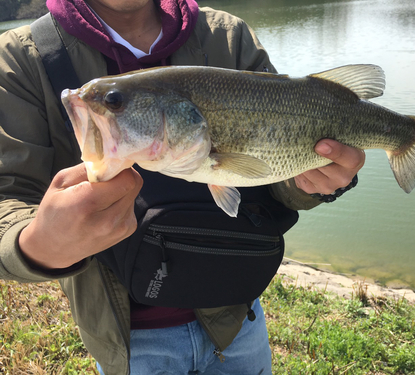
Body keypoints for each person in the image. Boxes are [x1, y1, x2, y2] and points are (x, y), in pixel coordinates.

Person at [0, 0, 365, 374]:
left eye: (115, 102)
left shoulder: (228, 35)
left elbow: (276, 180)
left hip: (238, 319)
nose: (104, 107)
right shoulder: (19, 57)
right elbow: (6, 201)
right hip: (128, 341)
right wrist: (35, 246)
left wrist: (314, 183)